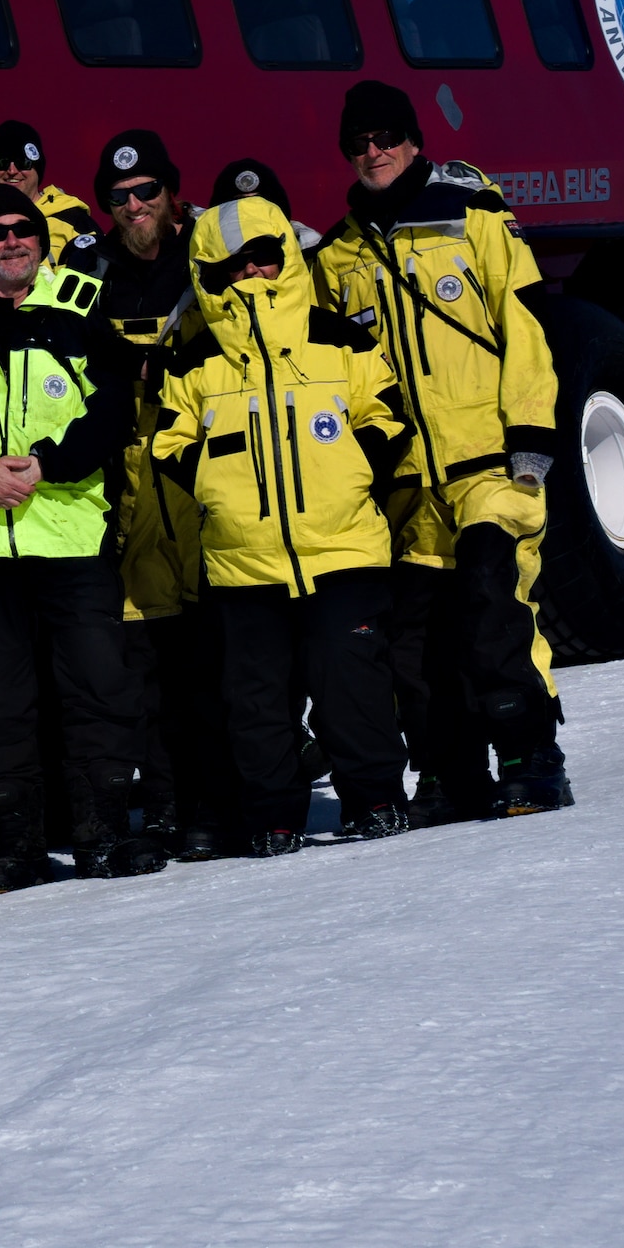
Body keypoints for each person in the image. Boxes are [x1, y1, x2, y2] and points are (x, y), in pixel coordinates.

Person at [322, 80, 571, 818]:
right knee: (418, 644)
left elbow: (523, 325)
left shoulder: (476, 219)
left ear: (413, 139)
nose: (373, 153)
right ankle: (449, 769)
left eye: (386, 137)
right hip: (407, 483)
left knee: (494, 605)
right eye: (358, 143)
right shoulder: (338, 254)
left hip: (490, 464)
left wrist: (531, 433)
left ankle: (531, 754)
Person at [152, 190, 416, 845]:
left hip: (344, 547)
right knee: (257, 701)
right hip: (244, 562)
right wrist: (221, 488)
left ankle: (376, 799)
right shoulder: (192, 356)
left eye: (263, 257)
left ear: (285, 258)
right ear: (209, 276)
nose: (250, 273)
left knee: (349, 680)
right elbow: (168, 443)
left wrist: (352, 468)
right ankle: (272, 813)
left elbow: (388, 416)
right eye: (232, 265)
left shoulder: (340, 338)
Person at [0, 193, 154, 883]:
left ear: (41, 241)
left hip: (71, 538)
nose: (12, 241)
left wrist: (48, 463)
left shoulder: (82, 309)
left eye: (24, 230)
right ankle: (11, 849)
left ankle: (101, 834)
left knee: (97, 690)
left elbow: (111, 409)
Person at [86, 128, 248, 858]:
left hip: (210, 481)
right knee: (149, 666)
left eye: (147, 190)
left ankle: (230, 801)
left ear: (172, 191)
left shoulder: (213, 254)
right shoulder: (88, 273)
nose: (133, 204)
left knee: (223, 659)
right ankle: (169, 805)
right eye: (118, 197)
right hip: (133, 496)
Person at [0, 119, 95, 261]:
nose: (12, 171)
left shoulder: (73, 220)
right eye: (2, 163)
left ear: (38, 170)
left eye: (23, 163)